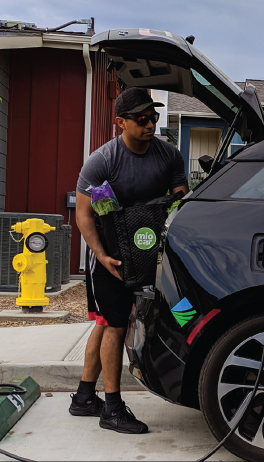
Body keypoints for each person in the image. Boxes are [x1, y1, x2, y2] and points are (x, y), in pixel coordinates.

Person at [72, 87, 189, 434]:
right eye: (142, 119)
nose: (150, 123)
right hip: (112, 258)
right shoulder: (103, 161)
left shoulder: (169, 156)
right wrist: (102, 256)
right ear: (120, 122)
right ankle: (111, 408)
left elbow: (182, 202)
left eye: (153, 117)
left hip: (155, 253)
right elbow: (84, 215)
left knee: (181, 307)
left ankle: (83, 397)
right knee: (113, 322)